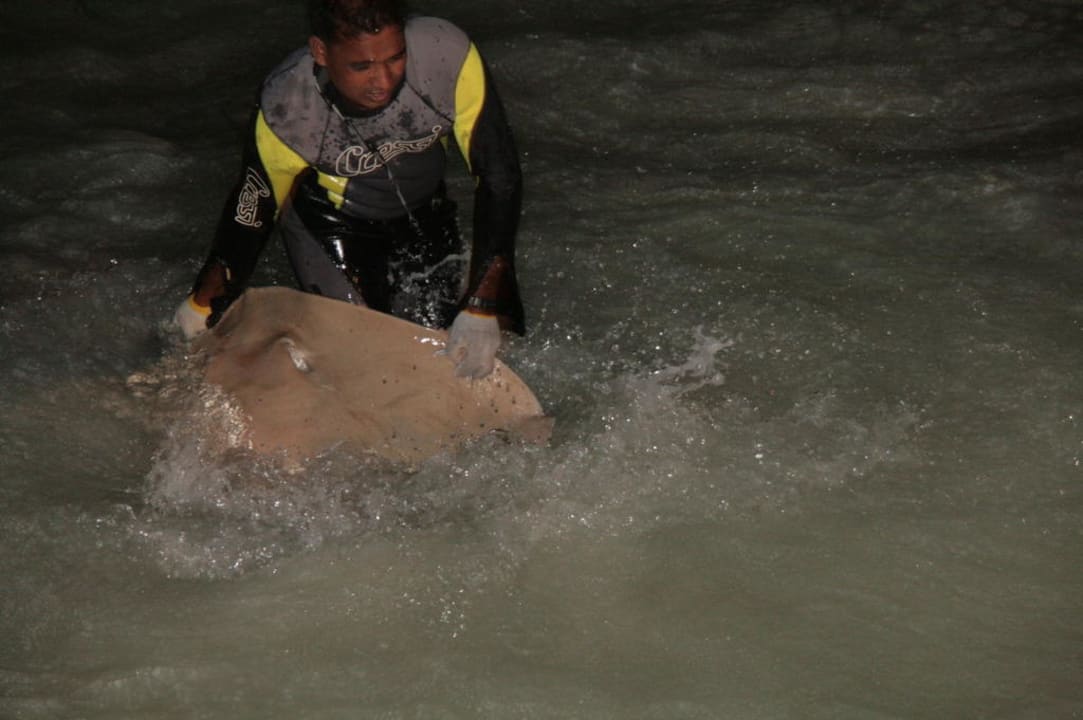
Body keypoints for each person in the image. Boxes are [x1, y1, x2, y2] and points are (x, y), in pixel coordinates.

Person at [174, 0, 524, 378]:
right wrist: (204, 302)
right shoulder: (289, 107)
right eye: (361, 66)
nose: (383, 81)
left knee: (490, 338)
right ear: (321, 52)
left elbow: (498, 174)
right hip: (332, 225)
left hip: (425, 209)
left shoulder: (445, 55)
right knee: (366, 358)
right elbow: (253, 210)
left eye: (395, 58)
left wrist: (481, 302)